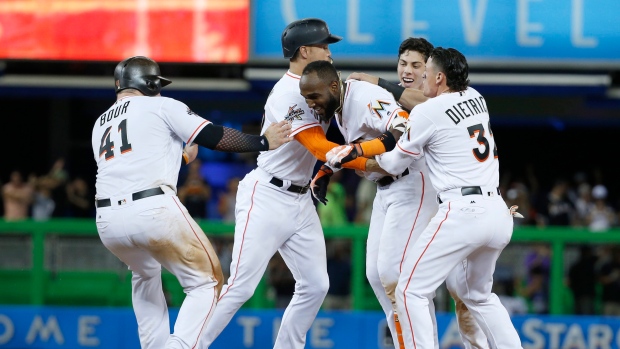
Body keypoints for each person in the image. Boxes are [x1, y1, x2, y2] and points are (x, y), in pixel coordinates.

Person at [201, 18, 384, 349]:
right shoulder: (289, 92)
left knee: (315, 285)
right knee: (241, 286)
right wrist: (377, 161)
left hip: (300, 200)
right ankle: (187, 343)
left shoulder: (319, 84)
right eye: (324, 46)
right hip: (268, 195)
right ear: (304, 50)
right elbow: (320, 148)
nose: (330, 52)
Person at [91, 55, 292, 349]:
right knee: (207, 282)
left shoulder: (100, 123)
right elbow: (213, 136)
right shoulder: (161, 105)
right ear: (148, 83)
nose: (159, 89)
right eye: (156, 84)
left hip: (108, 221)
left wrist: (183, 157)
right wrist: (262, 142)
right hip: (153, 209)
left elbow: (131, 165)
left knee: (145, 274)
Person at [336, 47, 522, 349]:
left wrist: (353, 158)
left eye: (426, 70)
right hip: (497, 212)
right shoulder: (477, 97)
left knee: (409, 290)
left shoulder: (427, 111)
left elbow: (394, 163)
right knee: (479, 296)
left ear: (439, 77)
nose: (420, 76)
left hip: (463, 212)